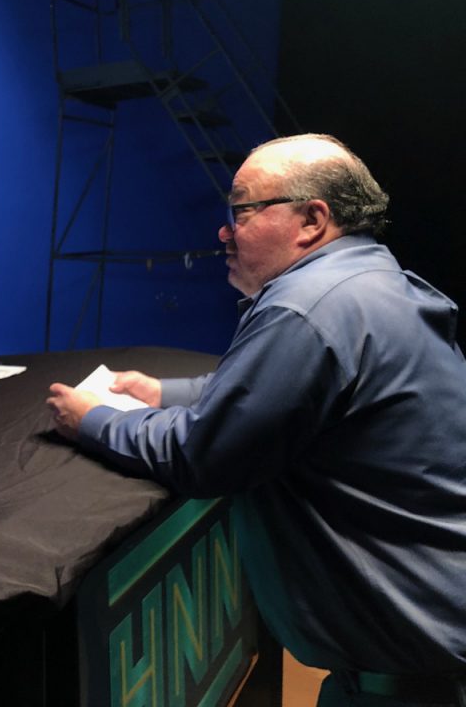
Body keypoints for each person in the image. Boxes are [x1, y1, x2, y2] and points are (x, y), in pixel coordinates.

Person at [47, 134, 466, 706]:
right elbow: (295, 395)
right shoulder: (369, 283)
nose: (225, 230)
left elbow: (202, 455)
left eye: (241, 210)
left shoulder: (305, 307)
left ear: (311, 220)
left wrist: (90, 419)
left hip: (408, 685)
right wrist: (162, 392)